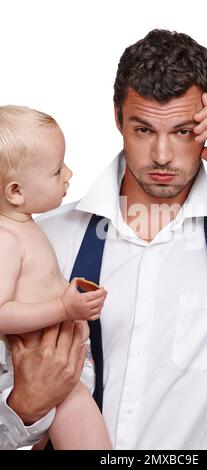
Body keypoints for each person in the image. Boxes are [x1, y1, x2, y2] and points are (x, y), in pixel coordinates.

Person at [1, 28, 207, 450]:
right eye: (143, 130)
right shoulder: (41, 236)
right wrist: (23, 408)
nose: (161, 155)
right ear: (118, 119)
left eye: (181, 131)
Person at [0, 106, 111, 450]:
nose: (69, 173)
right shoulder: (6, 239)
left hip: (56, 366)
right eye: (56, 170)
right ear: (16, 191)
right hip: (37, 371)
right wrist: (63, 307)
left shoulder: (25, 226)